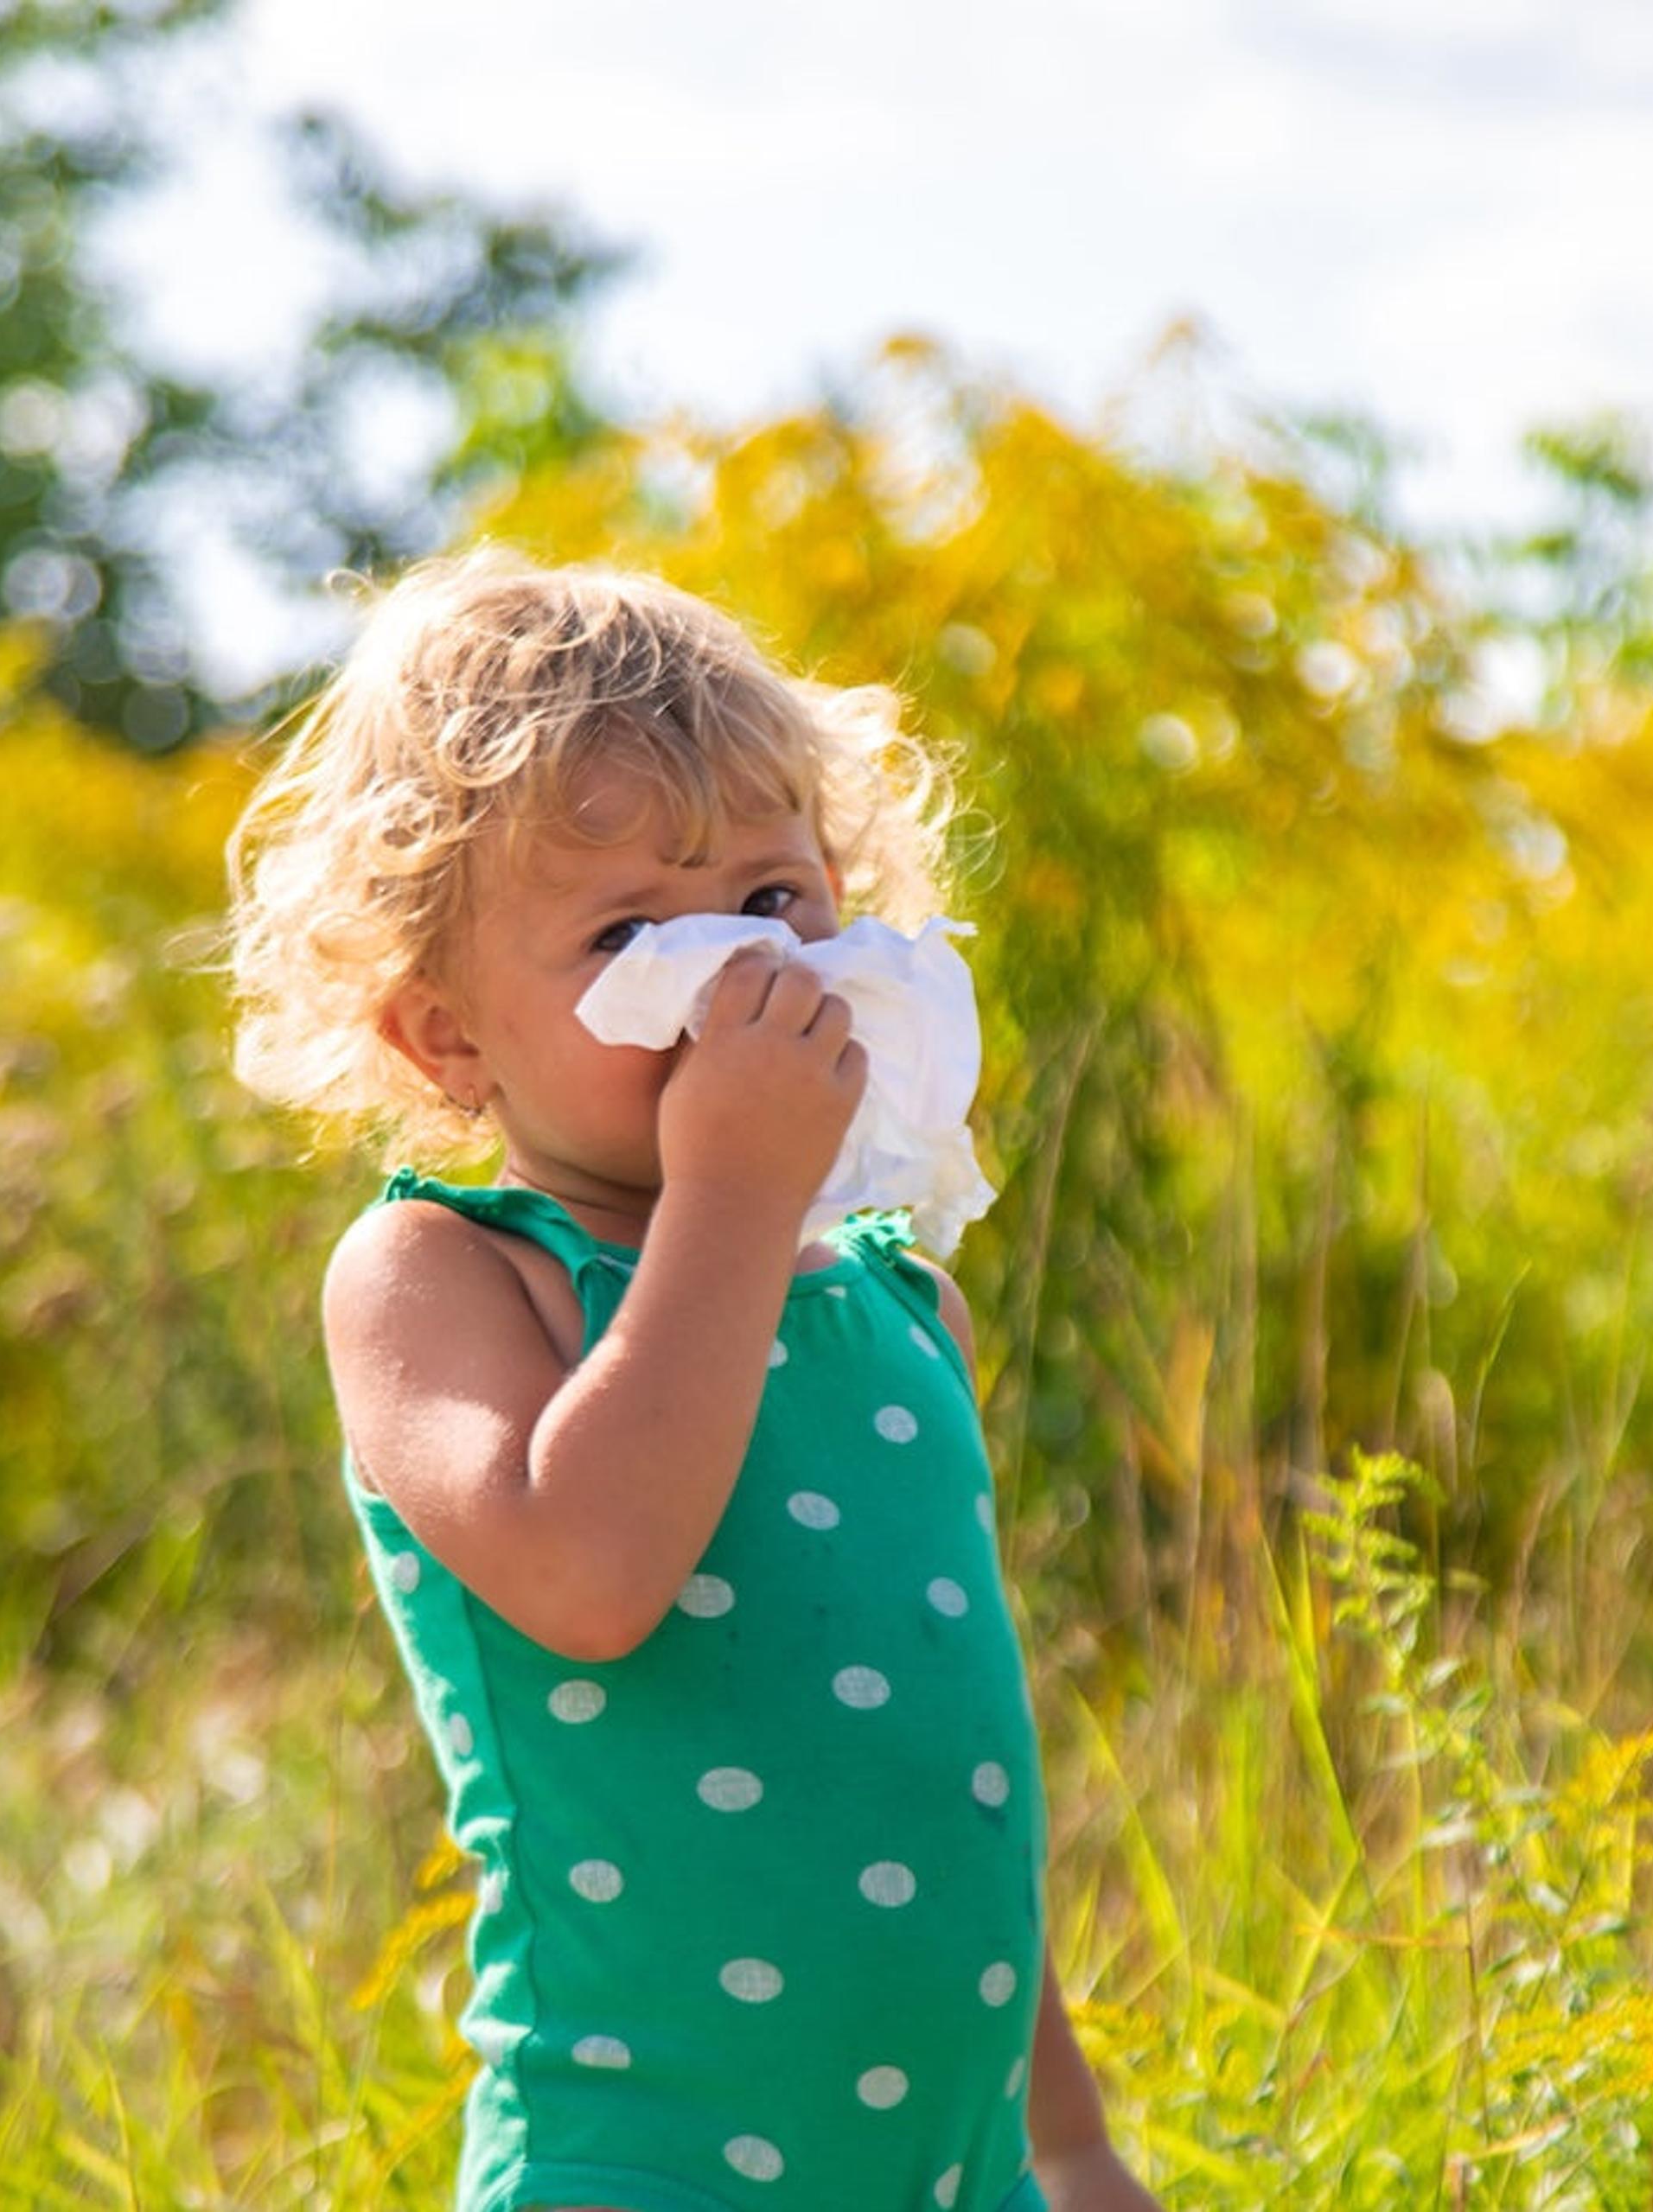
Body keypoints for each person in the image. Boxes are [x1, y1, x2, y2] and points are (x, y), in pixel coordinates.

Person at [219, 548, 1161, 2212]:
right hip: (640, 2166)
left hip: (961, 2172)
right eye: (632, 930)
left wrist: (1069, 2148)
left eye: (775, 899)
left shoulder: (896, 1306)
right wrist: (729, 1189)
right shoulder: (444, 1275)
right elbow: (589, 1577)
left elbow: (941, 1801)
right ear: (447, 1038)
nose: (733, 972)